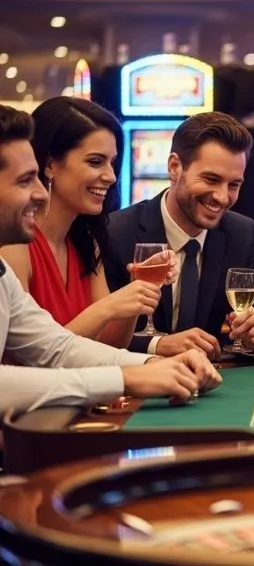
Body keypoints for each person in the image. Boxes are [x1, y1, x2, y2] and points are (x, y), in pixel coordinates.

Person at [0, 104, 220, 414]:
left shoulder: (80, 241)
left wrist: (152, 363)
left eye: (112, 162)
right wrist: (125, 377)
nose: (39, 194)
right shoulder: (13, 249)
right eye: (25, 180)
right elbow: (20, 371)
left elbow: (54, 348)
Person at [0, 97, 171, 349]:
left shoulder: (87, 241)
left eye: (112, 163)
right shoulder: (14, 244)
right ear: (50, 165)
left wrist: (136, 293)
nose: (111, 176)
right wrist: (107, 307)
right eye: (95, 161)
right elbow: (33, 355)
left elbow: (107, 347)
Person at [104, 112, 254, 359]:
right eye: (211, 179)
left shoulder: (242, 233)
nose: (223, 197)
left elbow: (252, 327)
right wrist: (158, 345)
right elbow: (96, 339)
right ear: (174, 167)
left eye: (233, 184)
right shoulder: (116, 231)